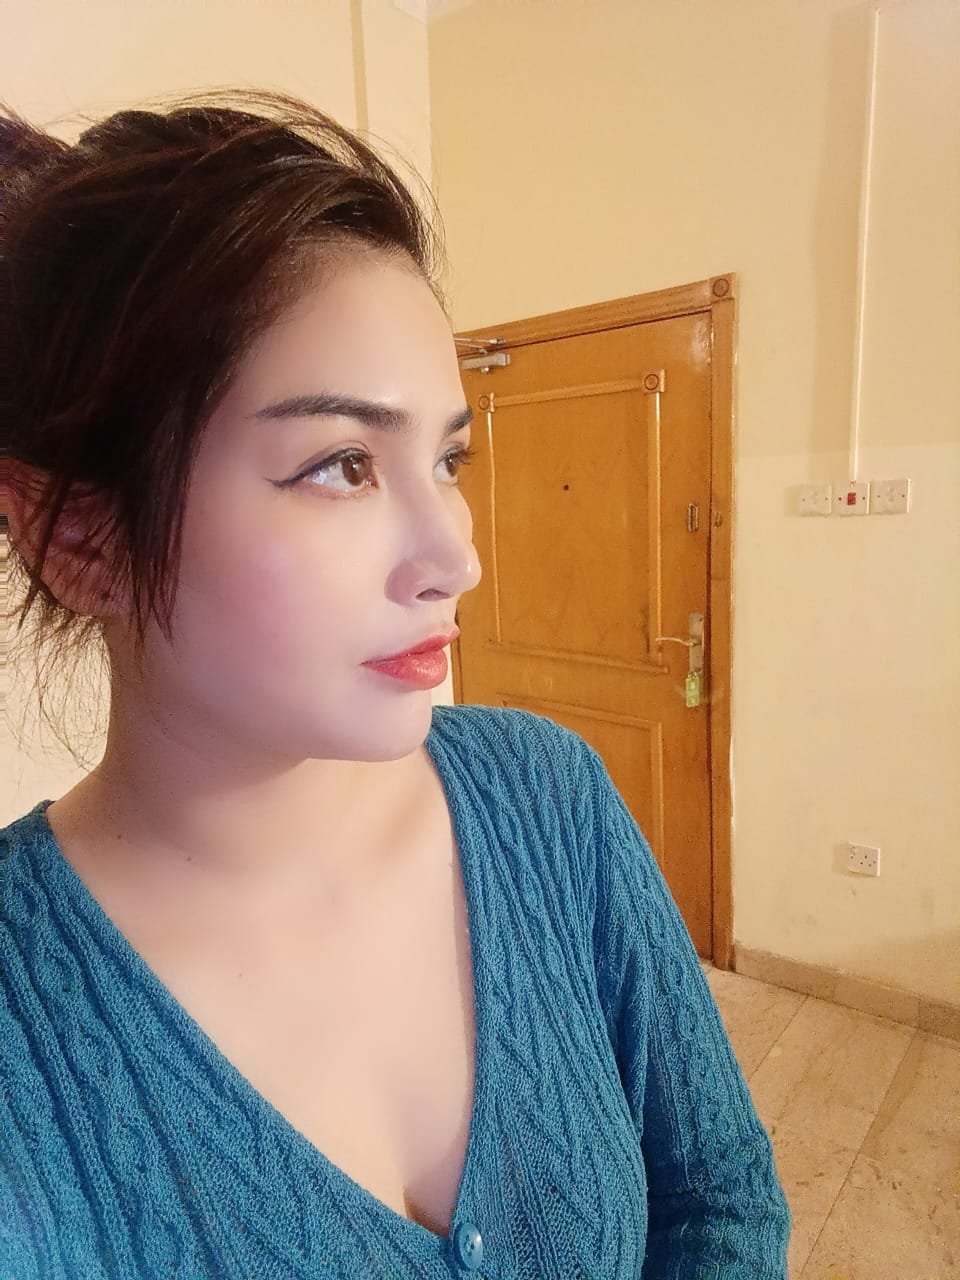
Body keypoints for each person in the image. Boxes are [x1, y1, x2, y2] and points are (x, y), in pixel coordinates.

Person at [0, 90, 790, 1278]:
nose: (456, 555)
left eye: (447, 456)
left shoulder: (547, 797)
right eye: (342, 464)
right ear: (78, 538)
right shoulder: (25, 1034)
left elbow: (716, 1193)